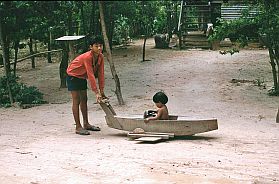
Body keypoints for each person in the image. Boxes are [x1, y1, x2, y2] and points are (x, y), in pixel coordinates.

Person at [66, 36, 107, 135]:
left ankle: (86, 124)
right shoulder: (87, 57)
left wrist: (102, 91)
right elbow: (91, 75)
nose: (99, 48)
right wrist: (96, 92)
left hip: (81, 77)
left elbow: (101, 74)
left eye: (100, 46)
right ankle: (78, 127)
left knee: (84, 99)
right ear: (91, 47)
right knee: (76, 100)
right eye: (96, 46)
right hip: (73, 75)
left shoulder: (100, 57)